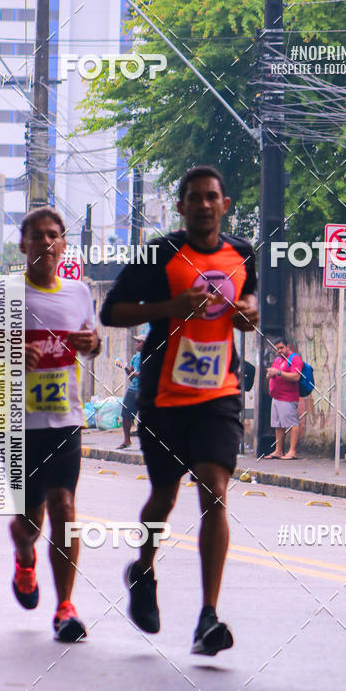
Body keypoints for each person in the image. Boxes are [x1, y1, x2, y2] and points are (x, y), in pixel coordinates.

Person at [101, 165, 258, 656]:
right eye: (194, 197)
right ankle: (143, 568)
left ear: (224, 205)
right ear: (182, 206)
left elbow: (248, 308)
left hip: (218, 395)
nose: (204, 205)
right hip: (165, 396)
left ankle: (208, 617)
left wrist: (249, 313)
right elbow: (112, 312)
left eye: (212, 196)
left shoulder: (242, 254)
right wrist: (169, 307)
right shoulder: (159, 254)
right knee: (164, 498)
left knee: (214, 491)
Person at [0, 207, 101, 642]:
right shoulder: (3, 292)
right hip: (18, 424)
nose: (46, 243)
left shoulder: (79, 294)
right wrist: (9, 348)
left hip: (66, 423)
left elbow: (91, 343)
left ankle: (65, 609)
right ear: (23, 244)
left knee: (65, 510)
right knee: (29, 522)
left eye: (54, 236)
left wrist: (92, 344)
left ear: (63, 244)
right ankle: (23, 557)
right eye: (37, 236)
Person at [266, 336, 303, 460]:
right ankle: (278, 450)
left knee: (292, 423)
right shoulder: (278, 359)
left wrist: (279, 373)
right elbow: (274, 373)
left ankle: (292, 451)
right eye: (277, 349)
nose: (279, 351)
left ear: (288, 346)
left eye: (281, 348)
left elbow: (296, 376)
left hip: (287, 397)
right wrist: (270, 373)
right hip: (276, 397)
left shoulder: (294, 359)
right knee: (278, 425)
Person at [118, 335, 144, 449]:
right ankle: (127, 440)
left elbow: (145, 374)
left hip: (146, 390)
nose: (136, 344)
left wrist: (134, 373)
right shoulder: (135, 358)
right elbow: (132, 377)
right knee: (126, 414)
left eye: (139, 342)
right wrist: (124, 367)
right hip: (133, 389)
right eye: (136, 342)